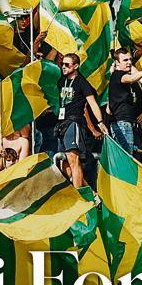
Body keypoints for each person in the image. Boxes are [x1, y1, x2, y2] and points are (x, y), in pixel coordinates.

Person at [55, 53, 108, 188]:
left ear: (76, 66)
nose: (63, 67)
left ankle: (79, 194)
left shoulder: (81, 82)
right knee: (64, 163)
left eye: (67, 64)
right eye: (62, 64)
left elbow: (92, 103)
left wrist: (100, 122)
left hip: (74, 122)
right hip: (61, 123)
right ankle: (89, 191)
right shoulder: (61, 80)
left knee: (74, 159)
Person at [107, 48, 142, 154]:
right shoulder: (117, 75)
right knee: (126, 158)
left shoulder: (131, 83)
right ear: (117, 63)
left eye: (130, 59)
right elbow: (131, 78)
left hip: (132, 124)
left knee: (136, 158)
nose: (129, 62)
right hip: (122, 123)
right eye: (125, 60)